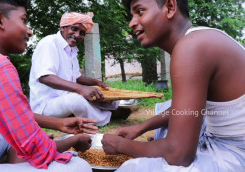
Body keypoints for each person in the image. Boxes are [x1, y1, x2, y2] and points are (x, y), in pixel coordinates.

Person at [0, 0, 98, 171]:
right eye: (23, 20)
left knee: (8, 131)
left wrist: (58, 124)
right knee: (78, 167)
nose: (29, 31)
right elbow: (39, 149)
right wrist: (73, 141)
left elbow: (11, 112)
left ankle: (15, 163)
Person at [101, 0, 245, 171]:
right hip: (225, 138)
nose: (132, 23)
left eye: (140, 11)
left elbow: (179, 155)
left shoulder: (191, 47)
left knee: (133, 168)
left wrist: (121, 146)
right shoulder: (200, 36)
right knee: (170, 109)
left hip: (236, 151)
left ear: (170, 7)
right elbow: (185, 109)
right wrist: (140, 127)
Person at [29, 12, 120, 127]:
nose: (77, 35)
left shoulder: (72, 49)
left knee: (108, 96)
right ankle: (108, 117)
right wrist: (80, 89)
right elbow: (45, 77)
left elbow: (76, 78)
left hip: (65, 97)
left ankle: (107, 110)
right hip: (44, 106)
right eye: (74, 29)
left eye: (82, 33)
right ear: (63, 27)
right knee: (77, 101)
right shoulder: (49, 43)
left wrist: (96, 83)